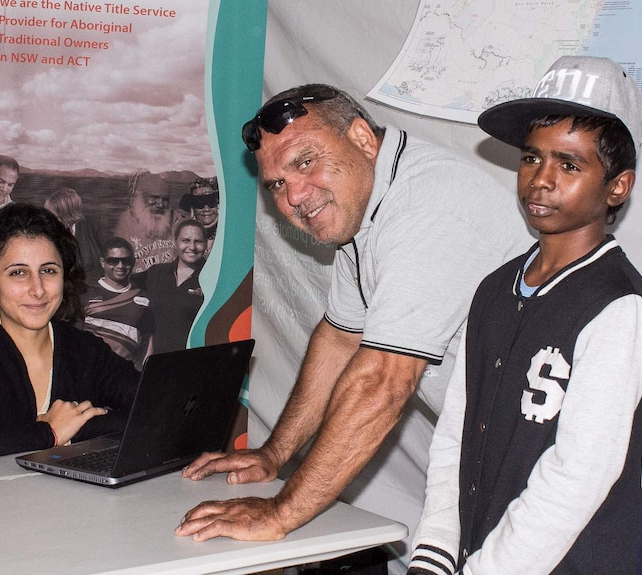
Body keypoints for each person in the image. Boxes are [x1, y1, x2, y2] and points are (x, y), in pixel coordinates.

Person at [175, 84, 533, 562]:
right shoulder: (365, 203)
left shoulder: (425, 212)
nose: (295, 196)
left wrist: (280, 514)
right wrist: (275, 455)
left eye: (305, 162)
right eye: (276, 184)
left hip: (599, 454)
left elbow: (382, 382)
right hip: (505, 452)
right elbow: (342, 337)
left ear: (363, 139)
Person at [407, 56, 642, 574]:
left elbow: (579, 475)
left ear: (618, 186)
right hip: (481, 549)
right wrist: (435, 552)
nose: (540, 180)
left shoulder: (616, 308)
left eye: (569, 165)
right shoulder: (496, 288)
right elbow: (455, 432)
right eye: (531, 158)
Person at [0, 203, 140, 462]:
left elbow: (154, 406)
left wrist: (74, 427)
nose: (37, 289)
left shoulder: (85, 349)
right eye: (18, 273)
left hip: (68, 498)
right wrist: (49, 432)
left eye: (48, 271)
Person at [132, 219, 207, 355]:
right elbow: (122, 283)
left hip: (194, 361)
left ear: (206, 244)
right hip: (156, 361)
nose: (192, 247)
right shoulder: (156, 273)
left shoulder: (212, 279)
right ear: (176, 242)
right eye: (186, 240)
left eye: (198, 241)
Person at [82, 236, 154, 368]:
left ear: (133, 261)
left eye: (126, 260)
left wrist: (144, 373)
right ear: (102, 262)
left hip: (125, 374)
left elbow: (148, 340)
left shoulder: (144, 298)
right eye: (113, 261)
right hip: (90, 370)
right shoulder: (85, 293)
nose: (120, 266)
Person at [115, 170, 175, 273]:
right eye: (154, 198)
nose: (160, 204)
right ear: (139, 197)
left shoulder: (175, 220)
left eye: (165, 199)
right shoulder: (122, 224)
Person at [44, 186, 104, 277]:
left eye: (52, 217)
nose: (47, 220)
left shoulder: (94, 227)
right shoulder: (45, 235)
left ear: (67, 215)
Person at [179, 177, 219, 255]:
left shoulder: (228, 232)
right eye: (199, 203)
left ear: (217, 205)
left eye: (211, 202)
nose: (206, 209)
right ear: (192, 208)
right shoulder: (182, 235)